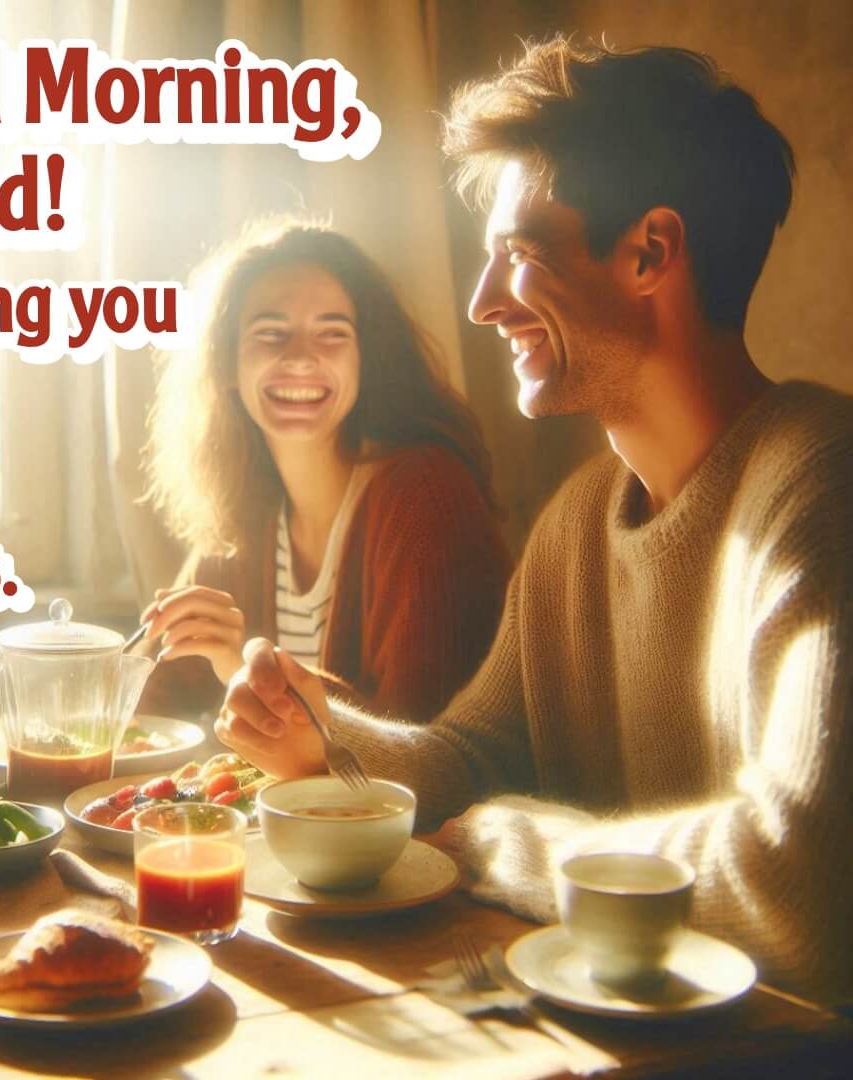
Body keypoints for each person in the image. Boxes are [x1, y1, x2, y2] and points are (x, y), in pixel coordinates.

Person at [214, 39, 853, 1003]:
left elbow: (795, 887)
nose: (482, 303)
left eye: (518, 255)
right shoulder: (580, 520)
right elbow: (473, 755)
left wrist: (513, 844)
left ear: (651, 252)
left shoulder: (822, 486)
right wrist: (329, 739)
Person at [139, 219, 513, 721]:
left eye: (332, 333)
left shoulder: (423, 495)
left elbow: (419, 746)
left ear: (366, 359)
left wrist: (247, 672)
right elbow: (148, 705)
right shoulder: (247, 519)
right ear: (226, 366)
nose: (300, 358)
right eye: (271, 334)